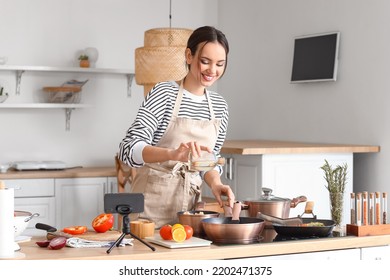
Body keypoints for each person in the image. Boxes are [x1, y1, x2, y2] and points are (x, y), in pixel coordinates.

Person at [118, 26, 235, 228]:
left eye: (219, 64)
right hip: (149, 209)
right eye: (205, 62)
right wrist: (173, 154)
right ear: (189, 56)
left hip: (189, 213)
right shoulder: (164, 93)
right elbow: (127, 150)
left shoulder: (219, 106)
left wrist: (216, 184)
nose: (212, 70)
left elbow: (209, 161)